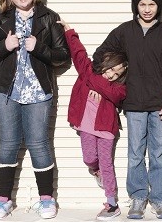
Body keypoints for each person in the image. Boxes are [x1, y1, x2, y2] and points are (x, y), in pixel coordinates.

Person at [0, 0, 70, 220]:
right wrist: (4, 46)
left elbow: (63, 56)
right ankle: (3, 200)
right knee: (7, 144)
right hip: (6, 91)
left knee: (40, 144)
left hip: (39, 92)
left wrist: (39, 47)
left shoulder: (49, 18)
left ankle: (46, 200)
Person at [93, 0, 162, 219]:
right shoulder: (124, 31)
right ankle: (138, 197)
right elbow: (100, 55)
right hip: (132, 105)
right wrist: (105, 83)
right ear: (135, 6)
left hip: (159, 104)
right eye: (142, 4)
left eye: (151, 4)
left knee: (158, 153)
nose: (146, 9)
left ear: (158, 6)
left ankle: (160, 200)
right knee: (135, 153)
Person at [58, 19, 128, 220]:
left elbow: (116, 95)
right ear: (104, 64)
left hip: (106, 129)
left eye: (117, 73)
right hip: (86, 126)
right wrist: (70, 32)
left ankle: (112, 203)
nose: (112, 75)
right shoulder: (88, 72)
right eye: (111, 69)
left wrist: (95, 84)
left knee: (107, 163)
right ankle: (96, 172)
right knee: (89, 158)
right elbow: (79, 54)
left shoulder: (118, 88)